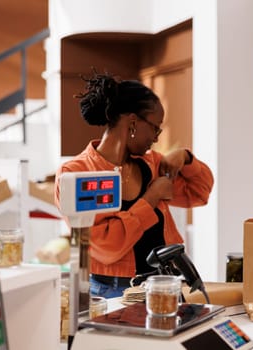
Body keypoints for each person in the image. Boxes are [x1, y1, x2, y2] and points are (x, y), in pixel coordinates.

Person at [55, 71, 214, 298]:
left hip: (163, 286)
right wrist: (151, 198)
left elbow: (200, 192)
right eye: (155, 128)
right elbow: (107, 247)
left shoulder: (152, 163)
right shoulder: (76, 173)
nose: (156, 138)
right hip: (113, 293)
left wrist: (186, 158)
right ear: (132, 122)